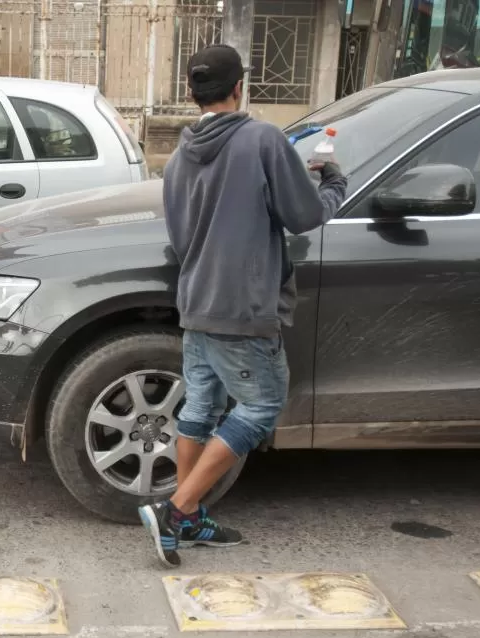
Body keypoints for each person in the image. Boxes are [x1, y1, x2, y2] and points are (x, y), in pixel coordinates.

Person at [139, 44, 348, 567]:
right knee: (261, 407)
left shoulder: (180, 154)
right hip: (243, 307)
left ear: (192, 92)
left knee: (200, 410)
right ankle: (177, 506)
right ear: (240, 87)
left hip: (197, 301)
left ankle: (185, 520)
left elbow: (183, 235)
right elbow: (302, 215)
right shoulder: (261, 139)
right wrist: (334, 183)